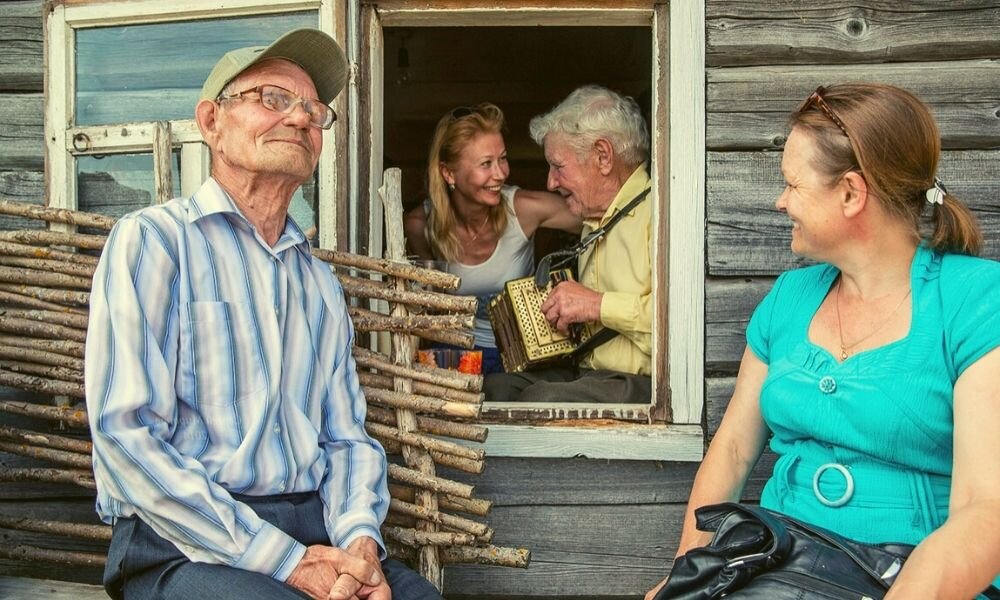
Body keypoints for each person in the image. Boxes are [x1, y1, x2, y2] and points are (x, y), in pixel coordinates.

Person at [85, 29, 442, 600]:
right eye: (273, 98)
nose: (301, 118)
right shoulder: (153, 243)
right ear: (212, 122)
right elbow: (125, 437)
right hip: (181, 543)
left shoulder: (317, 282)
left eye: (314, 110)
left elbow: (346, 440)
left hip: (316, 535)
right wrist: (289, 563)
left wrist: (358, 548)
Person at [646, 83, 1000, 599]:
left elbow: (984, 511)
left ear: (852, 193)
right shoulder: (790, 297)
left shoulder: (974, 300)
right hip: (778, 563)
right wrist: (687, 577)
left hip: (918, 579)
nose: (780, 200)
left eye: (792, 184)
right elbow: (734, 447)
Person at [483, 85, 653, 403]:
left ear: (603, 156)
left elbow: (676, 324)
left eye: (558, 167)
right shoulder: (592, 221)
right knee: (498, 387)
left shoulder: (659, 215)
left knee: (542, 401)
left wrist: (596, 305)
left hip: (641, 384)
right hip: (590, 374)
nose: (550, 182)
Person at [404, 102, 580, 375]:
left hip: (522, 360)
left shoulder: (524, 209)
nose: (500, 173)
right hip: (455, 358)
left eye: (503, 158)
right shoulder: (421, 225)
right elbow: (429, 305)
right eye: (486, 163)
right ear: (449, 173)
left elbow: (598, 215)